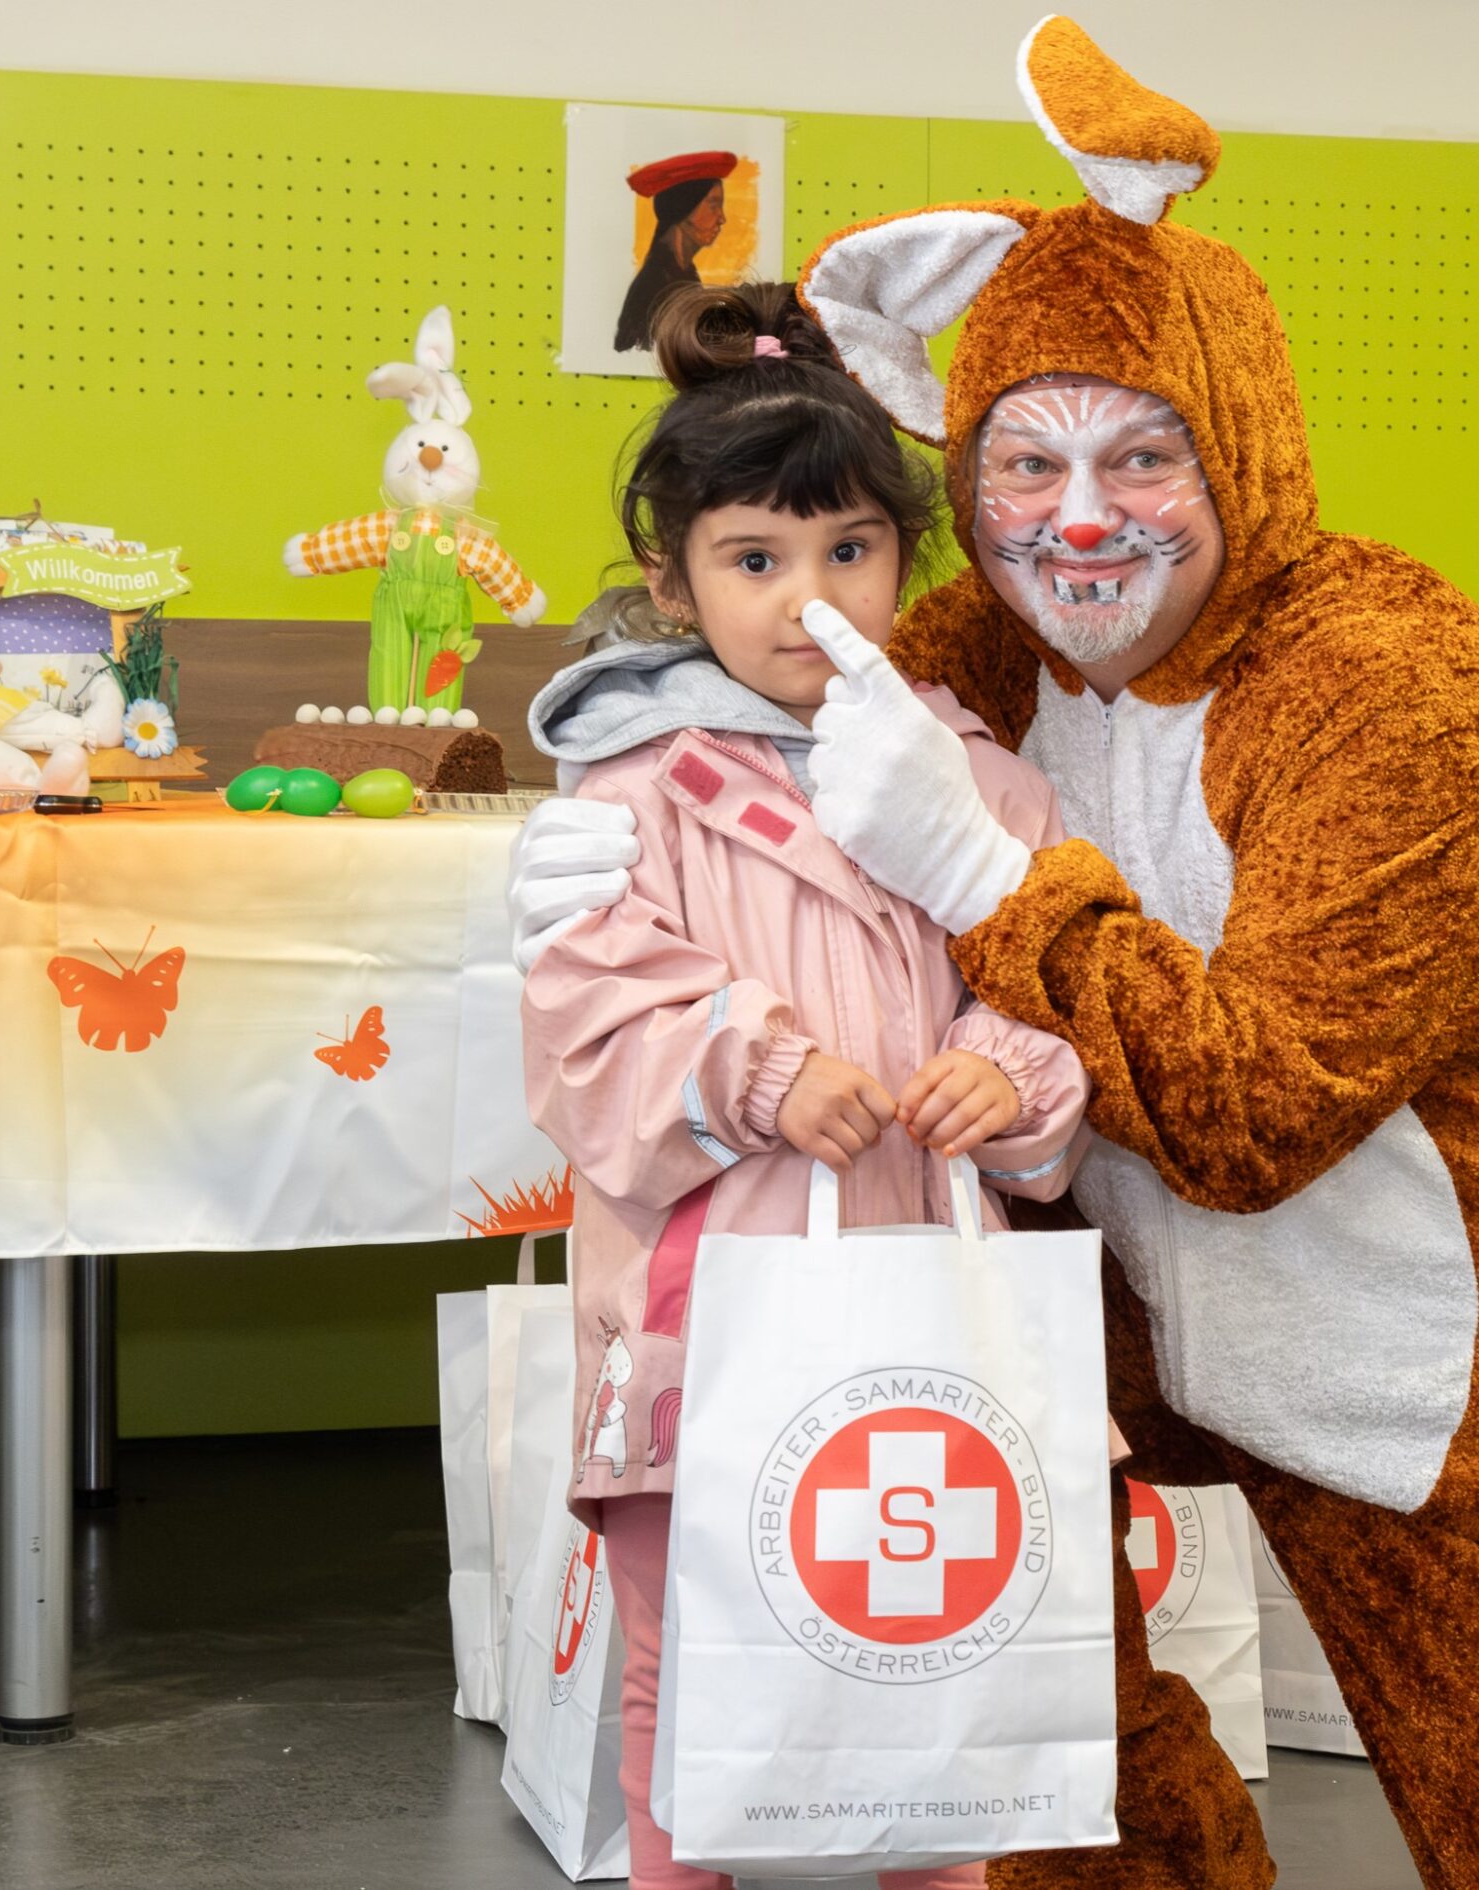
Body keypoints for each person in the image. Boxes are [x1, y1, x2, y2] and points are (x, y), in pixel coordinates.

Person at [512, 19, 1479, 1890]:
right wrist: (609, 803)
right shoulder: (977, 650)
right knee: (1005, 1697)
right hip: (1147, 1305)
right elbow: (763, 643)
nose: (1078, 519)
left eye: (1143, 453)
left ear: (1240, 439)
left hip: (1475, 1365)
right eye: (1024, 461)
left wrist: (983, 878)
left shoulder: (1394, 685)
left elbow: (1258, 1109)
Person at [518, 279, 1092, 1890]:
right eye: (753, 560)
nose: (804, 598)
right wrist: (757, 1071)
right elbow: (584, 1025)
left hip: (925, 1295)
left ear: (908, 561)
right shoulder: (633, 790)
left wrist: (1003, 1071)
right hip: (703, 1302)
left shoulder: (983, 776)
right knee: (676, 1653)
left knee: (944, 1653)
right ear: (673, 577)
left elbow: (1053, 980)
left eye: (848, 551)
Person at [615, 151, 735, 353]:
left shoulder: (683, 275)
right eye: (713, 205)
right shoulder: (658, 286)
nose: (722, 218)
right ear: (684, 209)